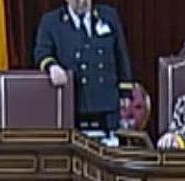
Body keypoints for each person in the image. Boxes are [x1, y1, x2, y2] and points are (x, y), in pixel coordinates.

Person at [34, 0, 132, 132]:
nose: (82, 2)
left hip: (107, 106)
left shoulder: (108, 16)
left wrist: (125, 92)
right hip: (75, 106)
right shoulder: (51, 22)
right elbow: (41, 53)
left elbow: (121, 55)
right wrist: (52, 66)